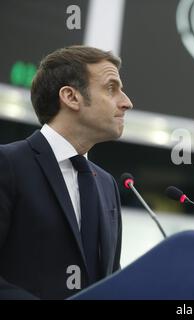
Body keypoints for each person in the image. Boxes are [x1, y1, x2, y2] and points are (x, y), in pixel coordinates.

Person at [0, 45, 133, 299]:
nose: (126, 102)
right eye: (111, 88)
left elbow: (110, 282)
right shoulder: (8, 164)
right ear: (71, 97)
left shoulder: (108, 185)